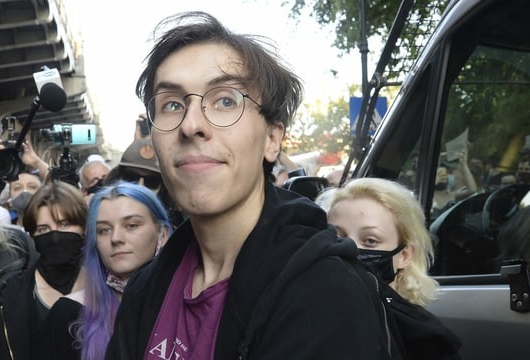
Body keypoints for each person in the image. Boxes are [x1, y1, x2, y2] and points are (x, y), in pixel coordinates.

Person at [104, 11, 390, 359]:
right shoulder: (147, 289)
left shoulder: (327, 293)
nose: (191, 124)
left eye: (225, 100)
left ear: (272, 138)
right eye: (172, 104)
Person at [327, 178, 462, 359]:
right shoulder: (300, 309)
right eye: (338, 237)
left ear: (404, 256)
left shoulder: (426, 340)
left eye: (370, 241)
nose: (348, 248)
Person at [39, 182, 172, 360]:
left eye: (131, 225)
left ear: (162, 235)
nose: (116, 238)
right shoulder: (70, 312)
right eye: (104, 230)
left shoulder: (185, 304)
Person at [0, 181, 88, 359]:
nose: (55, 236)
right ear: (32, 235)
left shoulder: (108, 286)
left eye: (64, 224)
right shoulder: (11, 293)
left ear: (84, 228)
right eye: (44, 229)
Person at [105, 138, 184, 228]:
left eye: (151, 181)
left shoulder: (179, 229)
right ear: (119, 177)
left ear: (162, 187)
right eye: (131, 178)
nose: (140, 186)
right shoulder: (100, 216)